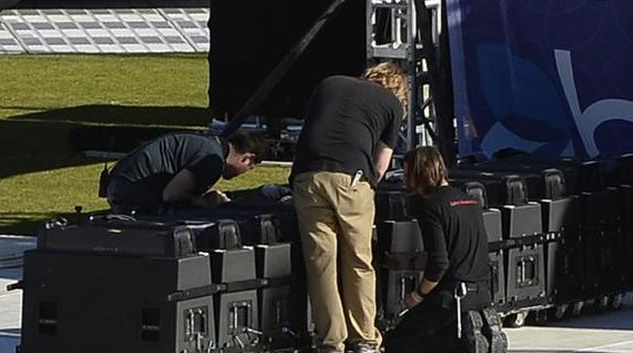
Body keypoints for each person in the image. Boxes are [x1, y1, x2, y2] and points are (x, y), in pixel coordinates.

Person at [290, 62, 408, 353]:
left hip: (307, 176)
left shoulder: (329, 82)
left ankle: (331, 341)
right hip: (351, 178)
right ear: (397, 89)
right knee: (358, 260)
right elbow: (381, 165)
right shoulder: (392, 104)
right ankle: (364, 337)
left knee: (321, 264)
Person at [385, 146, 492, 353]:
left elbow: (439, 263)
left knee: (398, 341)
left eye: (408, 175)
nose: (406, 182)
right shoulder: (470, 201)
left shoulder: (428, 205)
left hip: (451, 300)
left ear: (421, 173)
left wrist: (417, 296)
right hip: (480, 295)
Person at [105, 130, 267, 214]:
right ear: (247, 158)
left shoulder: (210, 144)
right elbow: (171, 194)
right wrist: (205, 202)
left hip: (121, 185)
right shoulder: (213, 160)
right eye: (249, 168)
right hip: (132, 193)